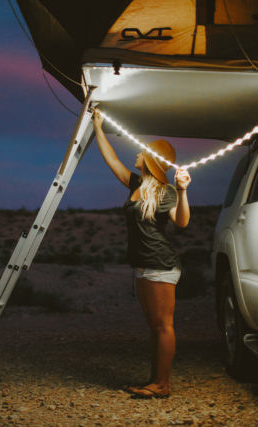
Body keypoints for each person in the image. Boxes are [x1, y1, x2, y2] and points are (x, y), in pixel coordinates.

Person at [92, 109, 191, 399]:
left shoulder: (166, 191)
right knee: (154, 326)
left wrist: (183, 191)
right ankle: (154, 379)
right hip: (143, 266)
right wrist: (98, 127)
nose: (136, 154)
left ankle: (162, 385)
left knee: (163, 325)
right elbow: (111, 159)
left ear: (150, 159)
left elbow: (182, 222)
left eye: (141, 152)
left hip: (161, 265)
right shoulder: (137, 185)